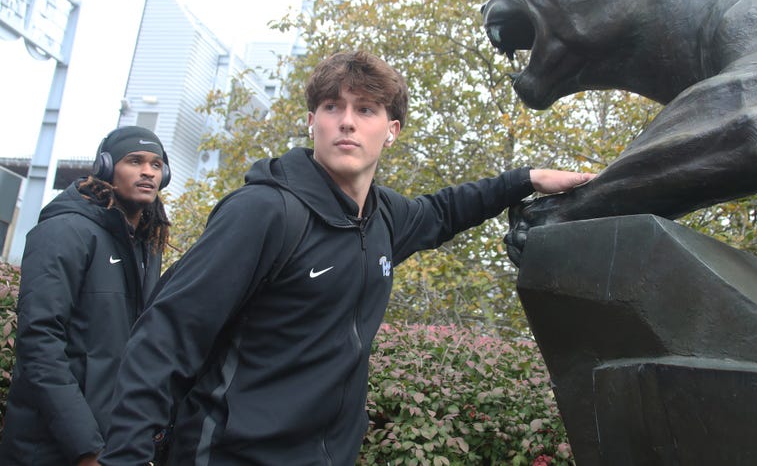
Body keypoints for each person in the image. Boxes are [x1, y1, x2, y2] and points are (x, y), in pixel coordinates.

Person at [99, 51, 593, 466]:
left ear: (392, 129)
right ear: (312, 121)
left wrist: (526, 178)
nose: (347, 121)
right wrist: (126, 456)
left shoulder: (382, 218)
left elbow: (443, 211)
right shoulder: (264, 212)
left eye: (366, 109)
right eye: (333, 106)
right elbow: (166, 337)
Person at [0, 126, 172, 466]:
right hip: (50, 448)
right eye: (135, 161)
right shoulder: (64, 230)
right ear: (106, 167)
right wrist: (86, 447)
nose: (147, 172)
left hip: (112, 443)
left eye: (156, 164)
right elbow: (39, 343)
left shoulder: (145, 244)